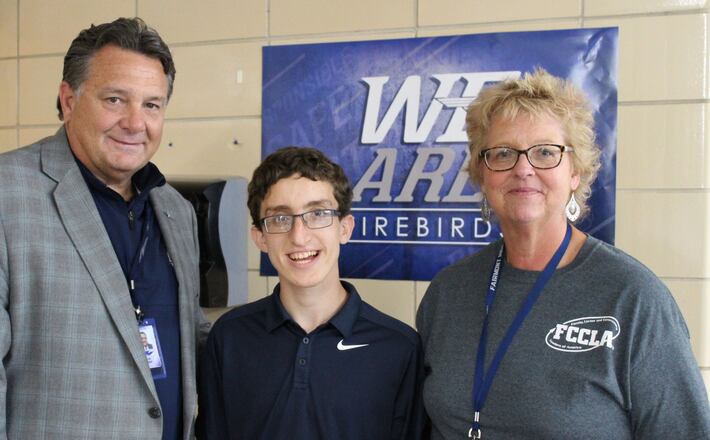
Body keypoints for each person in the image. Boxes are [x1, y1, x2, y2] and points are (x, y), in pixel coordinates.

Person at [0, 17, 209, 440]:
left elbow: (190, 341)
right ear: (68, 100)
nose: (135, 123)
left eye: (152, 105)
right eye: (115, 99)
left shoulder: (175, 211)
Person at [416, 68, 710, 439]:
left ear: (575, 172)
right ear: (482, 174)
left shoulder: (633, 298)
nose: (523, 169)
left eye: (545, 152)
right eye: (503, 153)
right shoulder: (448, 292)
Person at [196, 146, 426, 439]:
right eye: (280, 218)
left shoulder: (399, 347)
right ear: (260, 238)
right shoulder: (229, 337)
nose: (299, 236)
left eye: (317, 214)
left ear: (345, 228)